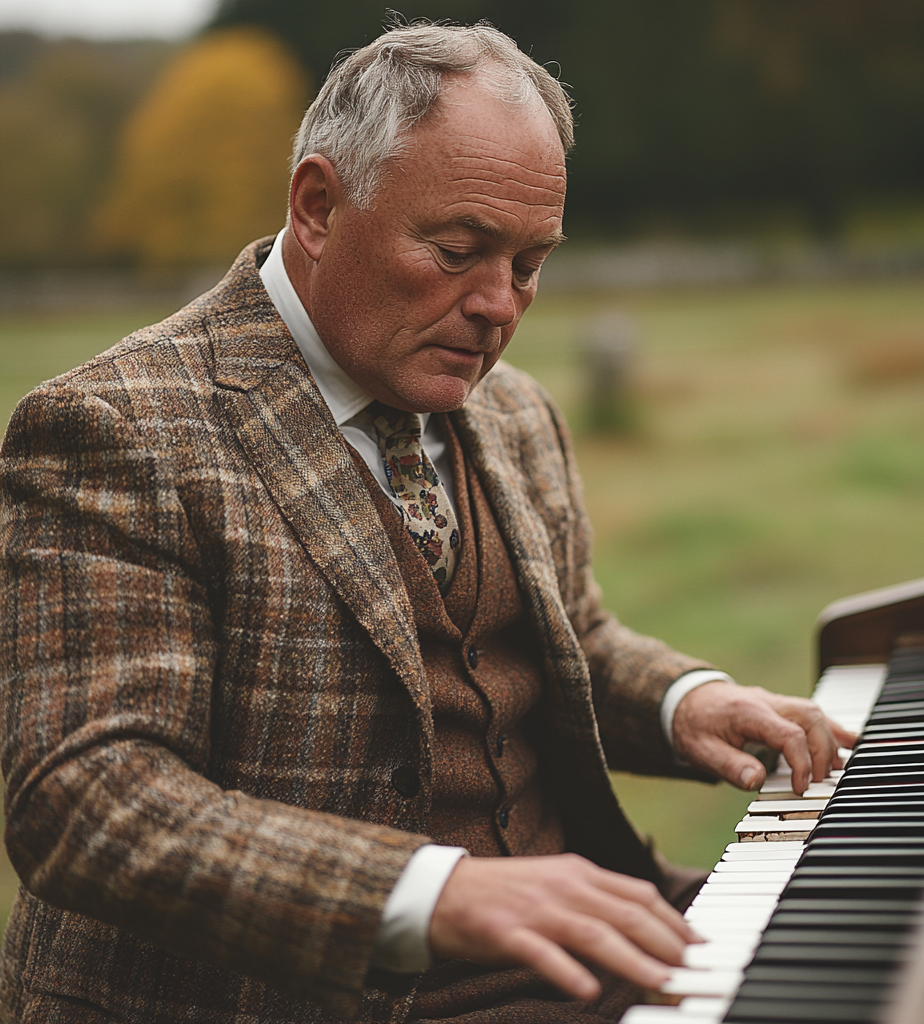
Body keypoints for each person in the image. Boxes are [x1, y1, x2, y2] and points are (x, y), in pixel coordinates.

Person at [0, 21, 855, 1024]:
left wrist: (685, 702)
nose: (498, 305)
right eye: (458, 251)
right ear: (318, 206)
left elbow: (565, 643)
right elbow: (89, 800)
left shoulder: (517, 411)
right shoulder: (114, 429)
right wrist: (430, 893)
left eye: (530, 264)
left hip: (587, 955)